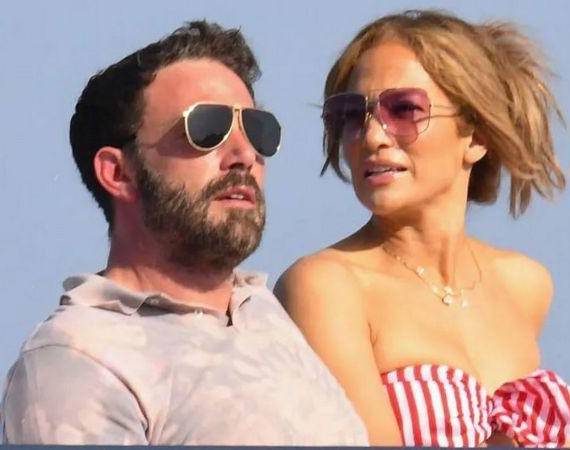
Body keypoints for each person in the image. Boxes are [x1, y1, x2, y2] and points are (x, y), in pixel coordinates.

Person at [0, 21, 368, 446]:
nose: (244, 155)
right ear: (118, 173)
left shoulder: (262, 310)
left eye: (257, 129)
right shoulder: (78, 359)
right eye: (207, 129)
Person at [275, 9, 570, 447]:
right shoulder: (326, 285)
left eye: (404, 109)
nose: (372, 136)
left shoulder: (522, 284)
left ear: (476, 137)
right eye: (350, 114)